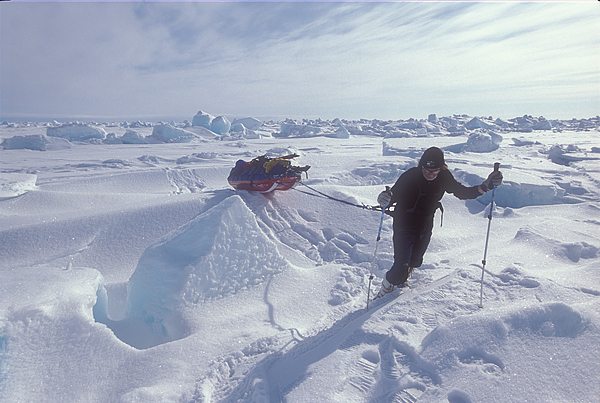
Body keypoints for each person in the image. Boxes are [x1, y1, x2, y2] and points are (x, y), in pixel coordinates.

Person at [374, 146, 503, 299]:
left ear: (441, 168)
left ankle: (402, 283)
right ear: (421, 166)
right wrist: (385, 198)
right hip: (404, 223)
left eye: (434, 171)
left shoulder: (444, 177)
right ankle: (384, 292)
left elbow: (462, 192)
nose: (430, 174)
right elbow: (391, 196)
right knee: (400, 266)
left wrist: (485, 186)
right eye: (427, 171)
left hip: (425, 224)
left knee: (414, 261)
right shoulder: (410, 176)